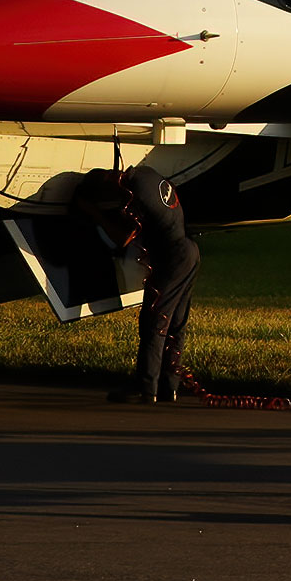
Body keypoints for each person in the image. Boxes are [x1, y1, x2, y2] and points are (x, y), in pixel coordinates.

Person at [110, 165, 198, 403]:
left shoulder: (134, 192)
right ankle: (170, 385)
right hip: (189, 250)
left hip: (172, 257)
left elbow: (123, 236)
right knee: (176, 322)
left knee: (154, 321)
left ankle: (145, 387)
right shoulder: (150, 176)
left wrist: (93, 213)